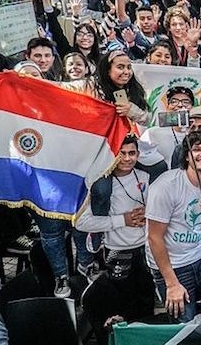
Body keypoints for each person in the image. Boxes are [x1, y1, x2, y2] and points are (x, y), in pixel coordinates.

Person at [146, 130, 201, 323]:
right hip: (173, 265)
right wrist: (171, 284)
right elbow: (154, 238)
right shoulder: (166, 186)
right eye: (197, 149)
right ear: (187, 156)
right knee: (184, 325)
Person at [75, 135, 156, 342]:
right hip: (117, 251)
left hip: (145, 250)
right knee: (122, 303)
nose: (127, 159)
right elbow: (81, 222)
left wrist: (148, 212)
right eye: (122, 153)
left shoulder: (144, 177)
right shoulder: (99, 182)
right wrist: (122, 220)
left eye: (132, 153)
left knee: (146, 300)